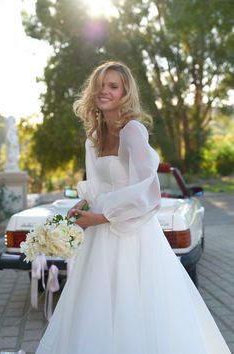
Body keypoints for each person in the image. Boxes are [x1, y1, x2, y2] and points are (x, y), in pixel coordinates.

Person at [36, 61, 231, 354]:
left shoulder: (133, 132)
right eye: (100, 85)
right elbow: (101, 186)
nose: (105, 91)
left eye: (113, 86)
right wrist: (83, 203)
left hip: (132, 236)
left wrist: (101, 216)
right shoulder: (94, 138)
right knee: (98, 306)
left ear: (125, 93)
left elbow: (149, 194)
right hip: (99, 239)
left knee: (133, 306)